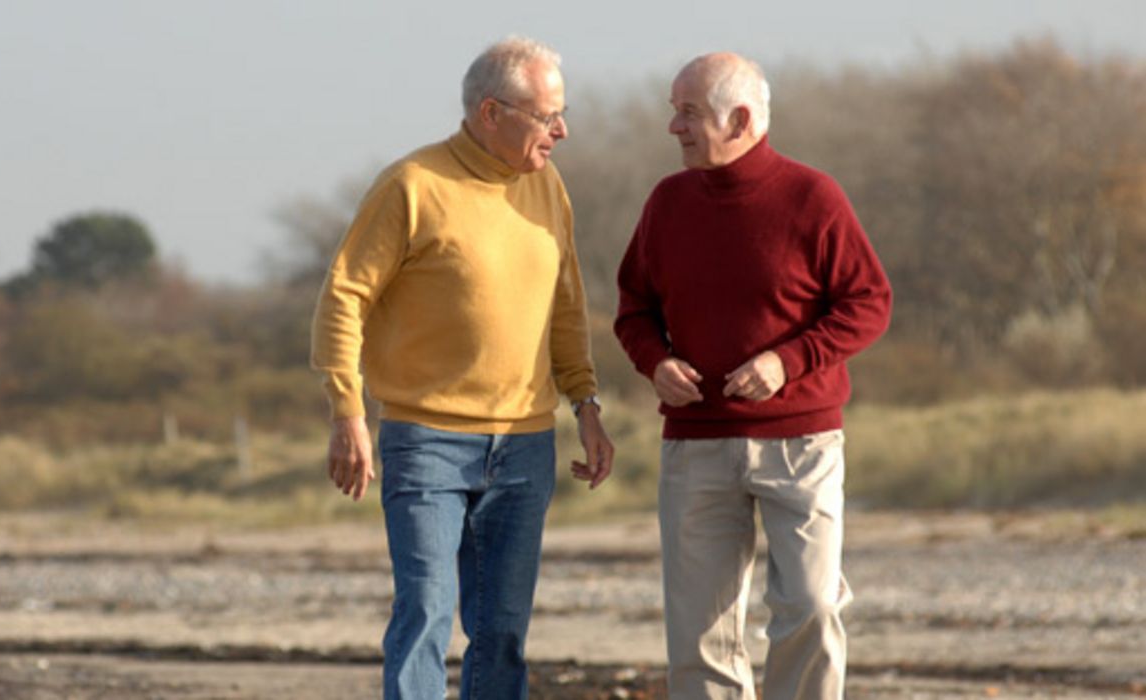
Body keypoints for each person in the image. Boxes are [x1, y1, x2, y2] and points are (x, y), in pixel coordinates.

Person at [310, 35, 615, 700]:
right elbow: (343, 297)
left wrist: (585, 406)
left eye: (563, 114)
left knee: (501, 629)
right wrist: (347, 411)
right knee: (424, 609)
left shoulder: (548, 188)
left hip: (526, 444)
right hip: (425, 440)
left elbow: (566, 307)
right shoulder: (411, 185)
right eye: (545, 117)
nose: (560, 131)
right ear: (490, 113)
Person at [613, 52, 892, 699]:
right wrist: (654, 361)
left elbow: (868, 303)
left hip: (802, 445)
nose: (672, 127)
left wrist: (784, 361)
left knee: (811, 607)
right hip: (693, 446)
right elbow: (633, 310)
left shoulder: (812, 197)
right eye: (673, 110)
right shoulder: (666, 202)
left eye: (686, 113)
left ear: (738, 120)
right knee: (698, 635)